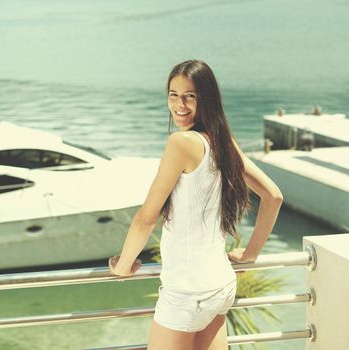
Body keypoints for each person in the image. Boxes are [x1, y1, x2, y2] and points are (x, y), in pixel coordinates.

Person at [108, 60, 283, 350]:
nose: (180, 104)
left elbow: (145, 218)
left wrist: (123, 266)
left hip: (187, 295)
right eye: (173, 94)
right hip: (220, 288)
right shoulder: (221, 140)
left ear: (206, 98)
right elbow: (273, 196)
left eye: (190, 95)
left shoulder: (182, 143)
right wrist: (251, 254)